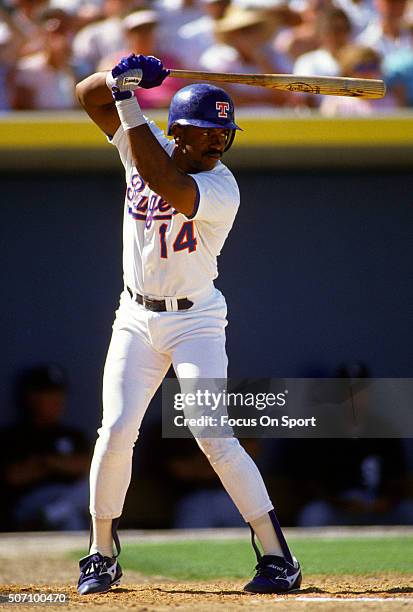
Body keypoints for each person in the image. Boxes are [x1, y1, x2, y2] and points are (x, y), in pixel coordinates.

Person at [75, 53, 302, 596]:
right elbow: (87, 96)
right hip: (133, 316)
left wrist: (128, 97)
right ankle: (100, 553)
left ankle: (278, 557)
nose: (218, 143)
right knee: (117, 430)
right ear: (176, 131)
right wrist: (114, 79)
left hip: (196, 319)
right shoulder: (143, 141)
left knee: (212, 433)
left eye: (225, 133)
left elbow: (160, 176)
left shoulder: (222, 188)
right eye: (206, 133)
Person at [0, 364, 91, 530]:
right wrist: (60, 464)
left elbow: (84, 467)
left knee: (73, 510)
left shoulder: (72, 434)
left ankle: (53, 513)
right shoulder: (14, 435)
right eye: (49, 394)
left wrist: (45, 463)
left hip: (67, 500)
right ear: (32, 397)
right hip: (30, 503)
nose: (57, 400)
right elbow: (13, 477)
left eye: (59, 393)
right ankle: (55, 512)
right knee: (70, 512)